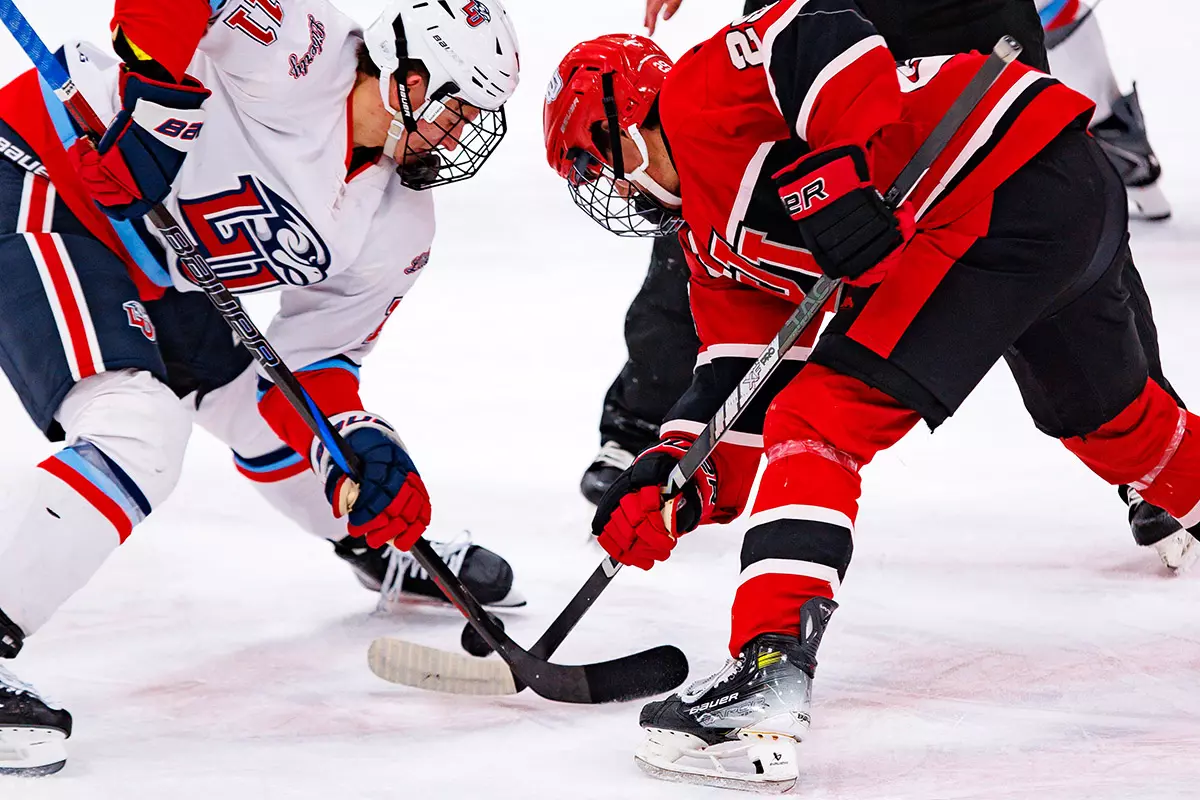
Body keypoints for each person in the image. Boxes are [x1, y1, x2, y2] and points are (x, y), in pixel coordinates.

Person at [543, 1, 1200, 790]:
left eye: (592, 162)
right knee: (1119, 427)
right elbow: (737, 381)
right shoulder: (708, 247)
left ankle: (763, 682)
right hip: (1042, 191)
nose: (604, 187)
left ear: (625, 117)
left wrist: (834, 168)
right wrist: (675, 474)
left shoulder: (700, 88)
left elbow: (825, 32)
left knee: (818, 420)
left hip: (999, 174)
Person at [0, 0, 520, 775]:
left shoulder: (399, 222)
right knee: (137, 430)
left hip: (160, 266)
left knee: (263, 409)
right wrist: (152, 115)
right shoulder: (303, 44)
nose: (461, 132)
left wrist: (365, 451)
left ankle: (367, 537)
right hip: (46, 176)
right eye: (457, 104)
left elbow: (312, 370)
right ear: (408, 74)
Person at [581, 0, 1188, 569]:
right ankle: (650, 434)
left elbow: (809, 35)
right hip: (808, 67)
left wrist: (832, 175)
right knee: (718, 203)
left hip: (957, 34)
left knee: (1026, 174)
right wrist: (688, 464)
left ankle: (1138, 440)